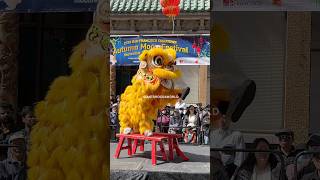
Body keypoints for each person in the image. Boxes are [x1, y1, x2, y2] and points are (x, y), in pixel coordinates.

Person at [210, 101, 246, 178]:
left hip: (230, 171)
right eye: (220, 117)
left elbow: (240, 160)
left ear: (229, 119)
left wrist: (233, 176)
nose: (223, 121)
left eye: (225, 118)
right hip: (214, 171)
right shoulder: (212, 135)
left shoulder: (237, 135)